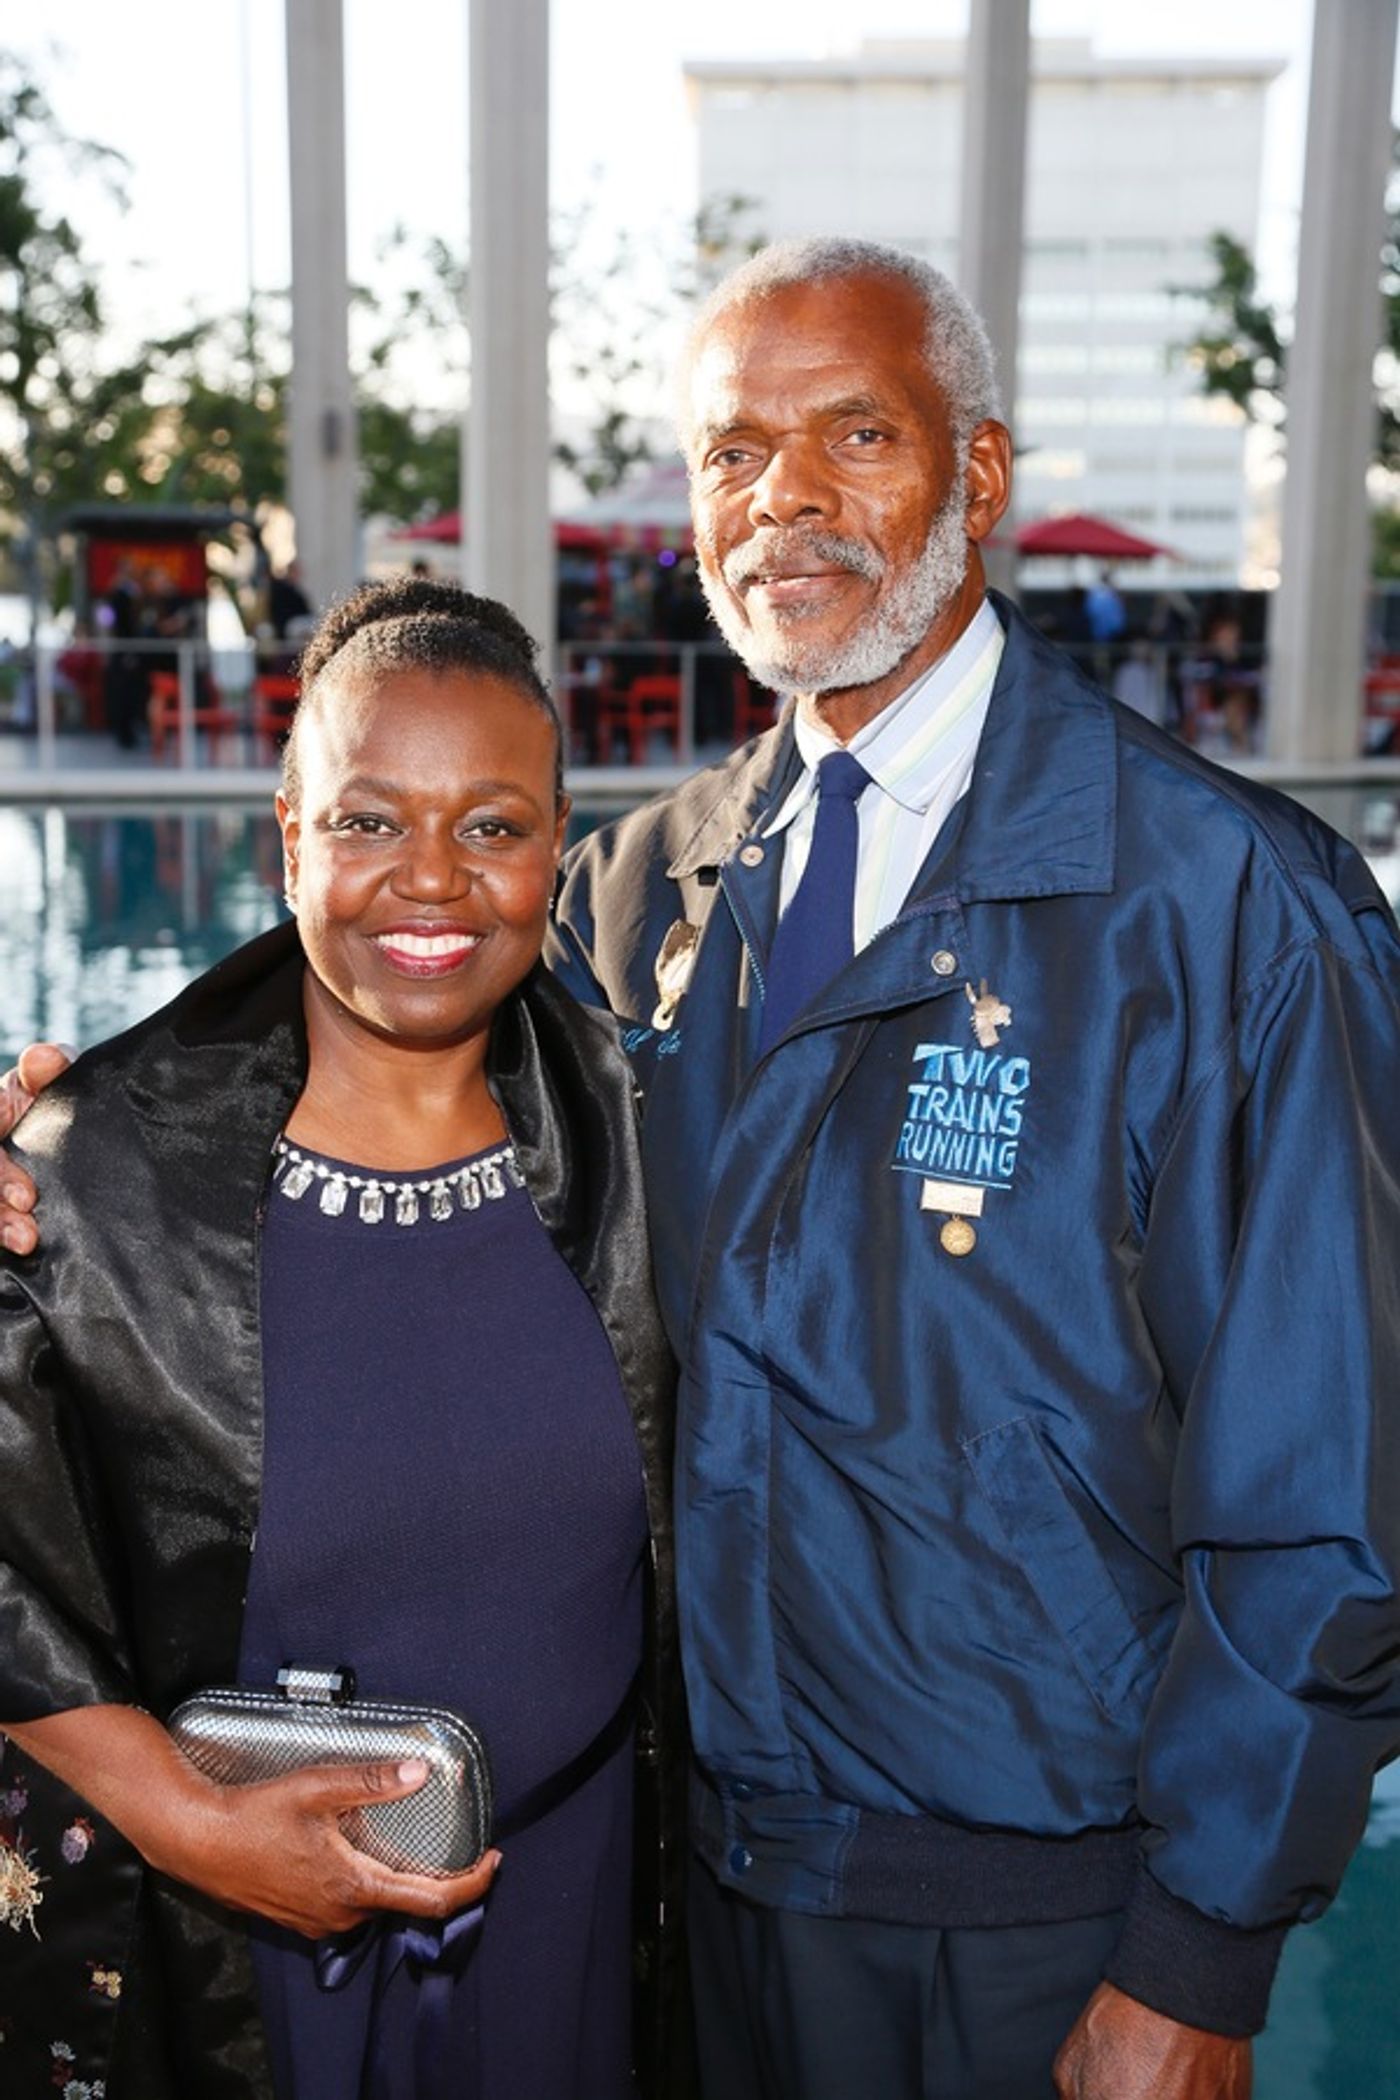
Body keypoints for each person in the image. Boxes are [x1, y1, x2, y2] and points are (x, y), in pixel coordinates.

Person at [7, 236, 1400, 2100]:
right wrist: (65, 1139)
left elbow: (1326, 1493)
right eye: (733, 453)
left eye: (855, 435)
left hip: (1047, 1915)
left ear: (978, 476)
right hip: (701, 1886)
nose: (786, 500)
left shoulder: (1230, 910)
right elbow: (390, 1023)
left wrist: (1202, 1959)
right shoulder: (641, 889)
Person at [0, 578, 681, 2099]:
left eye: (492, 827)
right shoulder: (92, 1169)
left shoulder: (653, 1140)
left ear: (555, 846)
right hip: (233, 1953)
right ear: (289, 835)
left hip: (570, 1930)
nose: (430, 881)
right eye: (370, 822)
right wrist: (185, 1822)